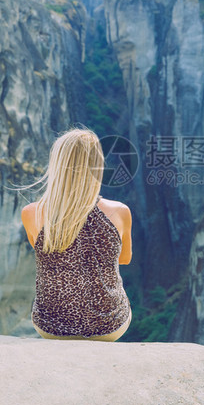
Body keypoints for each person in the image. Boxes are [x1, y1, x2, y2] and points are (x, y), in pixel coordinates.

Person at [20, 128, 133, 341]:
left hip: (51, 328)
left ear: (56, 166)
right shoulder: (120, 211)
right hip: (110, 327)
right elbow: (125, 259)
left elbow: (46, 254)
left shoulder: (32, 213)